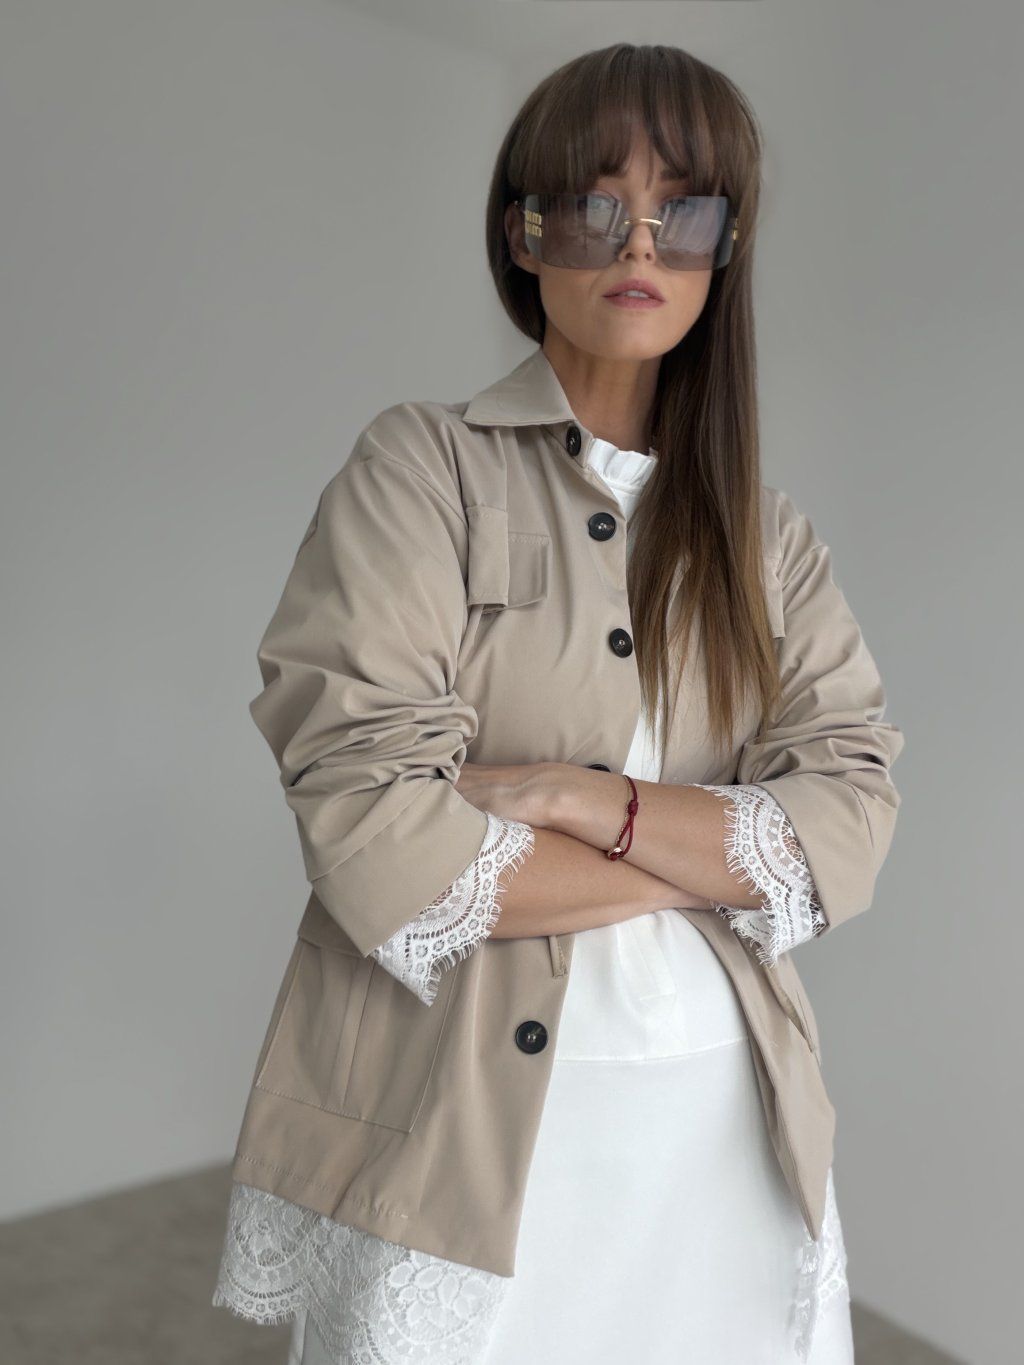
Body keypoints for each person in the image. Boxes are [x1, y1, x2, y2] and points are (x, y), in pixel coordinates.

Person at [213, 42, 904, 1365]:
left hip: (724, 1120)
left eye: (683, 211)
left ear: (725, 248)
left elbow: (852, 822)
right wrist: (716, 852)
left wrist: (587, 802)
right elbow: (375, 833)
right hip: (464, 1134)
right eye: (595, 205)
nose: (639, 241)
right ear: (523, 234)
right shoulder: (422, 470)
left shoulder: (767, 538)